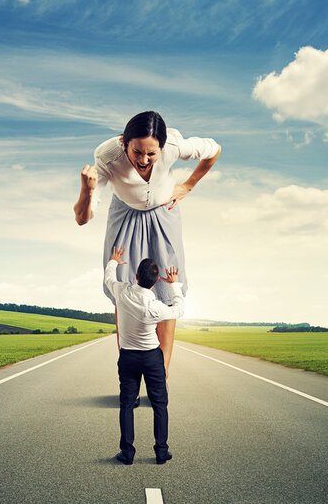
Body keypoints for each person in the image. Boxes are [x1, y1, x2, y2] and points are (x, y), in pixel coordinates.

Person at [73, 111, 220, 377]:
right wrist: (87, 189)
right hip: (125, 217)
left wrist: (188, 185)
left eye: (151, 154)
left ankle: (159, 379)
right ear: (123, 142)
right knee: (125, 288)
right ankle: (129, 375)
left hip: (164, 216)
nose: (143, 160)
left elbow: (214, 149)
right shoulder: (107, 156)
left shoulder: (175, 146)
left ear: (162, 147)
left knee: (167, 286)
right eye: (137, 152)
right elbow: (82, 219)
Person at [104, 245, 183, 465]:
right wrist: (174, 285)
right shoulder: (155, 307)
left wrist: (114, 261)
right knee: (160, 405)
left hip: (128, 358)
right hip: (151, 359)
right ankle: (161, 451)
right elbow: (179, 310)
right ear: (156, 282)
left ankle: (127, 453)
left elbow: (108, 278)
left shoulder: (121, 292)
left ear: (136, 276)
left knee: (127, 405)